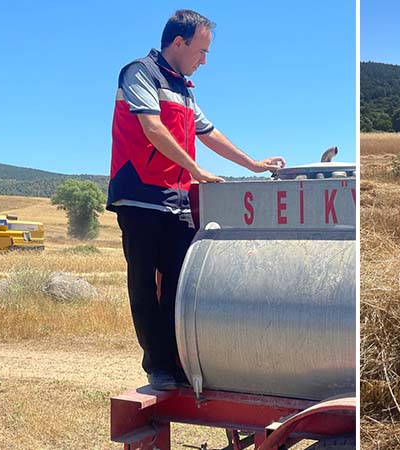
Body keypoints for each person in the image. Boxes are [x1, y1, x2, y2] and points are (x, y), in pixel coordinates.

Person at [107, 10, 285, 390]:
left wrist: (253, 164)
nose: (204, 59)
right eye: (201, 51)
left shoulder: (184, 88)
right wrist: (196, 170)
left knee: (181, 282)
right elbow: (152, 129)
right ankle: (157, 365)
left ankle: (178, 363)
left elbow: (209, 132)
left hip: (176, 198)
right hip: (139, 197)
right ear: (178, 43)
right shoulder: (139, 73)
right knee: (142, 283)